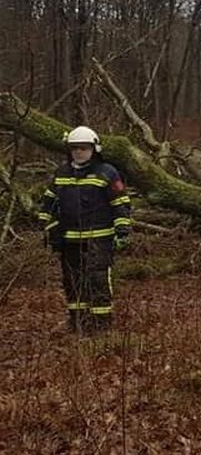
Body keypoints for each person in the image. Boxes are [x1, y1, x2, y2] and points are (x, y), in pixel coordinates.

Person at [37, 126, 133, 334]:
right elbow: (48, 203)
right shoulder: (62, 173)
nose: (79, 152)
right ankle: (78, 323)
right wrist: (48, 227)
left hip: (99, 239)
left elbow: (120, 203)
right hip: (68, 239)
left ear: (94, 149)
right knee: (72, 282)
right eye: (74, 148)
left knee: (97, 280)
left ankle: (101, 326)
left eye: (83, 148)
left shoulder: (107, 172)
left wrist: (122, 228)